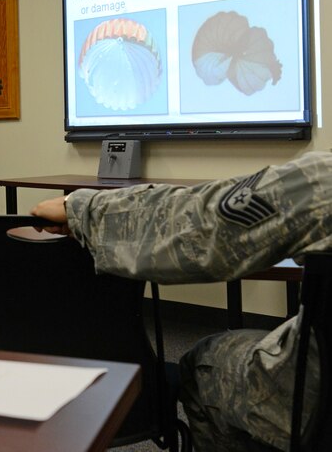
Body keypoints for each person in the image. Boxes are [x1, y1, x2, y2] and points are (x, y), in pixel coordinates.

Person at [30, 152, 332, 451]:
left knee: (208, 362)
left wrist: (80, 208)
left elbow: (201, 222)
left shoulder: (324, 180)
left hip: (315, 406)